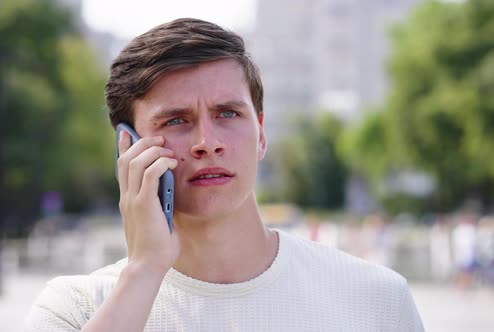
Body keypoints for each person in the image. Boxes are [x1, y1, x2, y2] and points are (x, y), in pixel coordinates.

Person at [24, 18, 424, 331]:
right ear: (128, 150)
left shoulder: (376, 298)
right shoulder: (74, 309)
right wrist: (144, 269)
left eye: (228, 114)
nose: (207, 142)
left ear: (261, 132)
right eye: (177, 120)